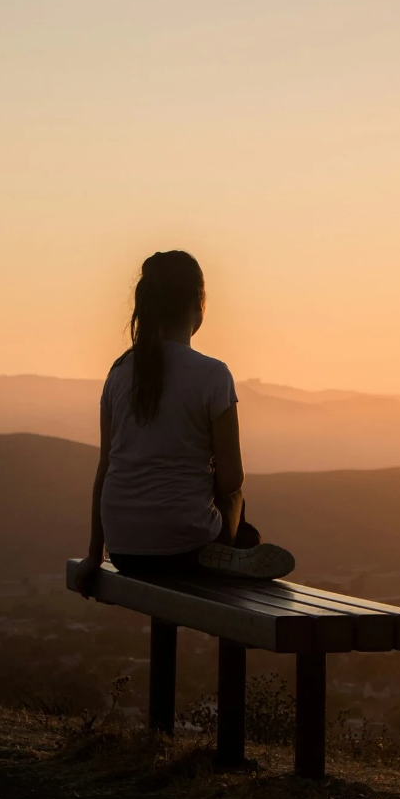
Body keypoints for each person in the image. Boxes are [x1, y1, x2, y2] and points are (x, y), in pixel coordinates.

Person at [73, 250, 294, 597]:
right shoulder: (212, 375)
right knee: (236, 497)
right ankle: (235, 548)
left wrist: (93, 555)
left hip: (124, 551)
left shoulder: (118, 373)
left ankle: (229, 549)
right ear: (199, 303)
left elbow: (105, 470)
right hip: (186, 548)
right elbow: (231, 479)